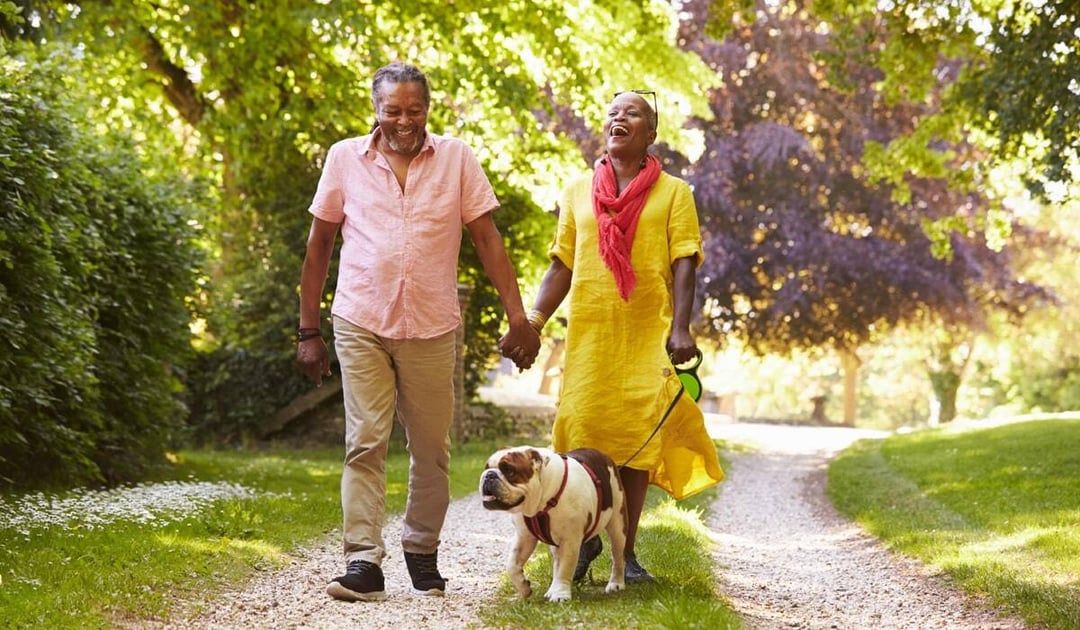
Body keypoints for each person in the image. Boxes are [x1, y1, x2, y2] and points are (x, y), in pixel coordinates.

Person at [296, 62, 540, 602]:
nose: (404, 121)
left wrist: (517, 316)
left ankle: (421, 550)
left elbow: (487, 238)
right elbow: (318, 248)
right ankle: (363, 561)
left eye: (414, 110)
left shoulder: (456, 159)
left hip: (431, 325)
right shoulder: (344, 158)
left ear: (428, 109)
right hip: (361, 318)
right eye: (393, 111)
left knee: (431, 449)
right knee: (365, 442)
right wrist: (307, 330)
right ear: (376, 111)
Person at [524, 90, 725, 583]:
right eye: (614, 112)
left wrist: (681, 326)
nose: (619, 118)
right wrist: (532, 322)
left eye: (632, 113)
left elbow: (684, 262)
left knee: (636, 444)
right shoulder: (576, 191)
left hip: (644, 333)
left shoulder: (675, 193)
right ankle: (583, 540)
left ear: (650, 133)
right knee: (581, 433)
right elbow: (562, 264)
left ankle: (625, 554)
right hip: (591, 334)